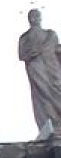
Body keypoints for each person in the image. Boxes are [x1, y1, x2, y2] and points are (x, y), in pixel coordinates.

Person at [18, 9, 61, 138]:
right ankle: (51, 123)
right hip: (36, 69)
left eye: (36, 16)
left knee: (57, 91)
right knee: (42, 96)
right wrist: (33, 53)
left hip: (53, 69)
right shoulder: (24, 38)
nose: (34, 18)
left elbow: (55, 49)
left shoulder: (51, 34)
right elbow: (22, 54)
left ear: (40, 18)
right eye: (31, 16)